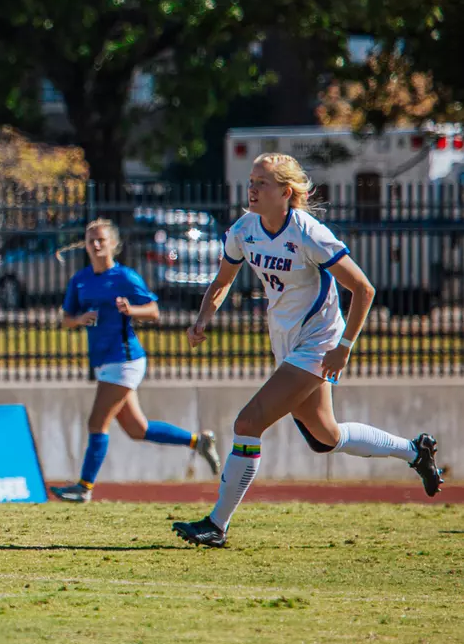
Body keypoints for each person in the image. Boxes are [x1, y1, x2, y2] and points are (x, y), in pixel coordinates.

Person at [173, 154, 444, 547]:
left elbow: (364, 289)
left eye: (262, 183)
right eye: (251, 180)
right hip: (287, 342)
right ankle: (414, 451)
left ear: (286, 192)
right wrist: (202, 319)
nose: (252, 188)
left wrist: (344, 347)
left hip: (318, 342)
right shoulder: (244, 229)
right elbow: (222, 280)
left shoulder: (307, 232)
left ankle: (216, 525)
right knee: (325, 436)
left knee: (248, 424)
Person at [48, 219, 221, 503]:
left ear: (113, 244)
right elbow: (65, 319)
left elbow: (154, 311)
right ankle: (198, 441)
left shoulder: (125, 277)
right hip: (104, 361)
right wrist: (79, 319)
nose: (95, 244)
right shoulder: (80, 280)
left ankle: (84, 487)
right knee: (136, 429)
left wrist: (132, 310)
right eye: (90, 239)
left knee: (96, 422)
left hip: (125, 360)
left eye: (101, 239)